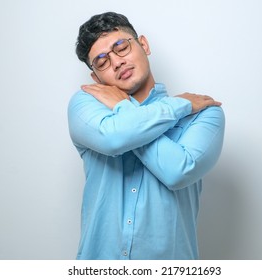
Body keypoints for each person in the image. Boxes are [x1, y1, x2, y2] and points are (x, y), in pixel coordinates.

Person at [68, 12, 225, 260]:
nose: (117, 62)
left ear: (144, 44)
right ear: (96, 78)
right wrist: (179, 105)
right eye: (102, 62)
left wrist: (125, 110)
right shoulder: (85, 104)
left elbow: (177, 172)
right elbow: (114, 138)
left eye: (121, 47)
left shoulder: (203, 114)